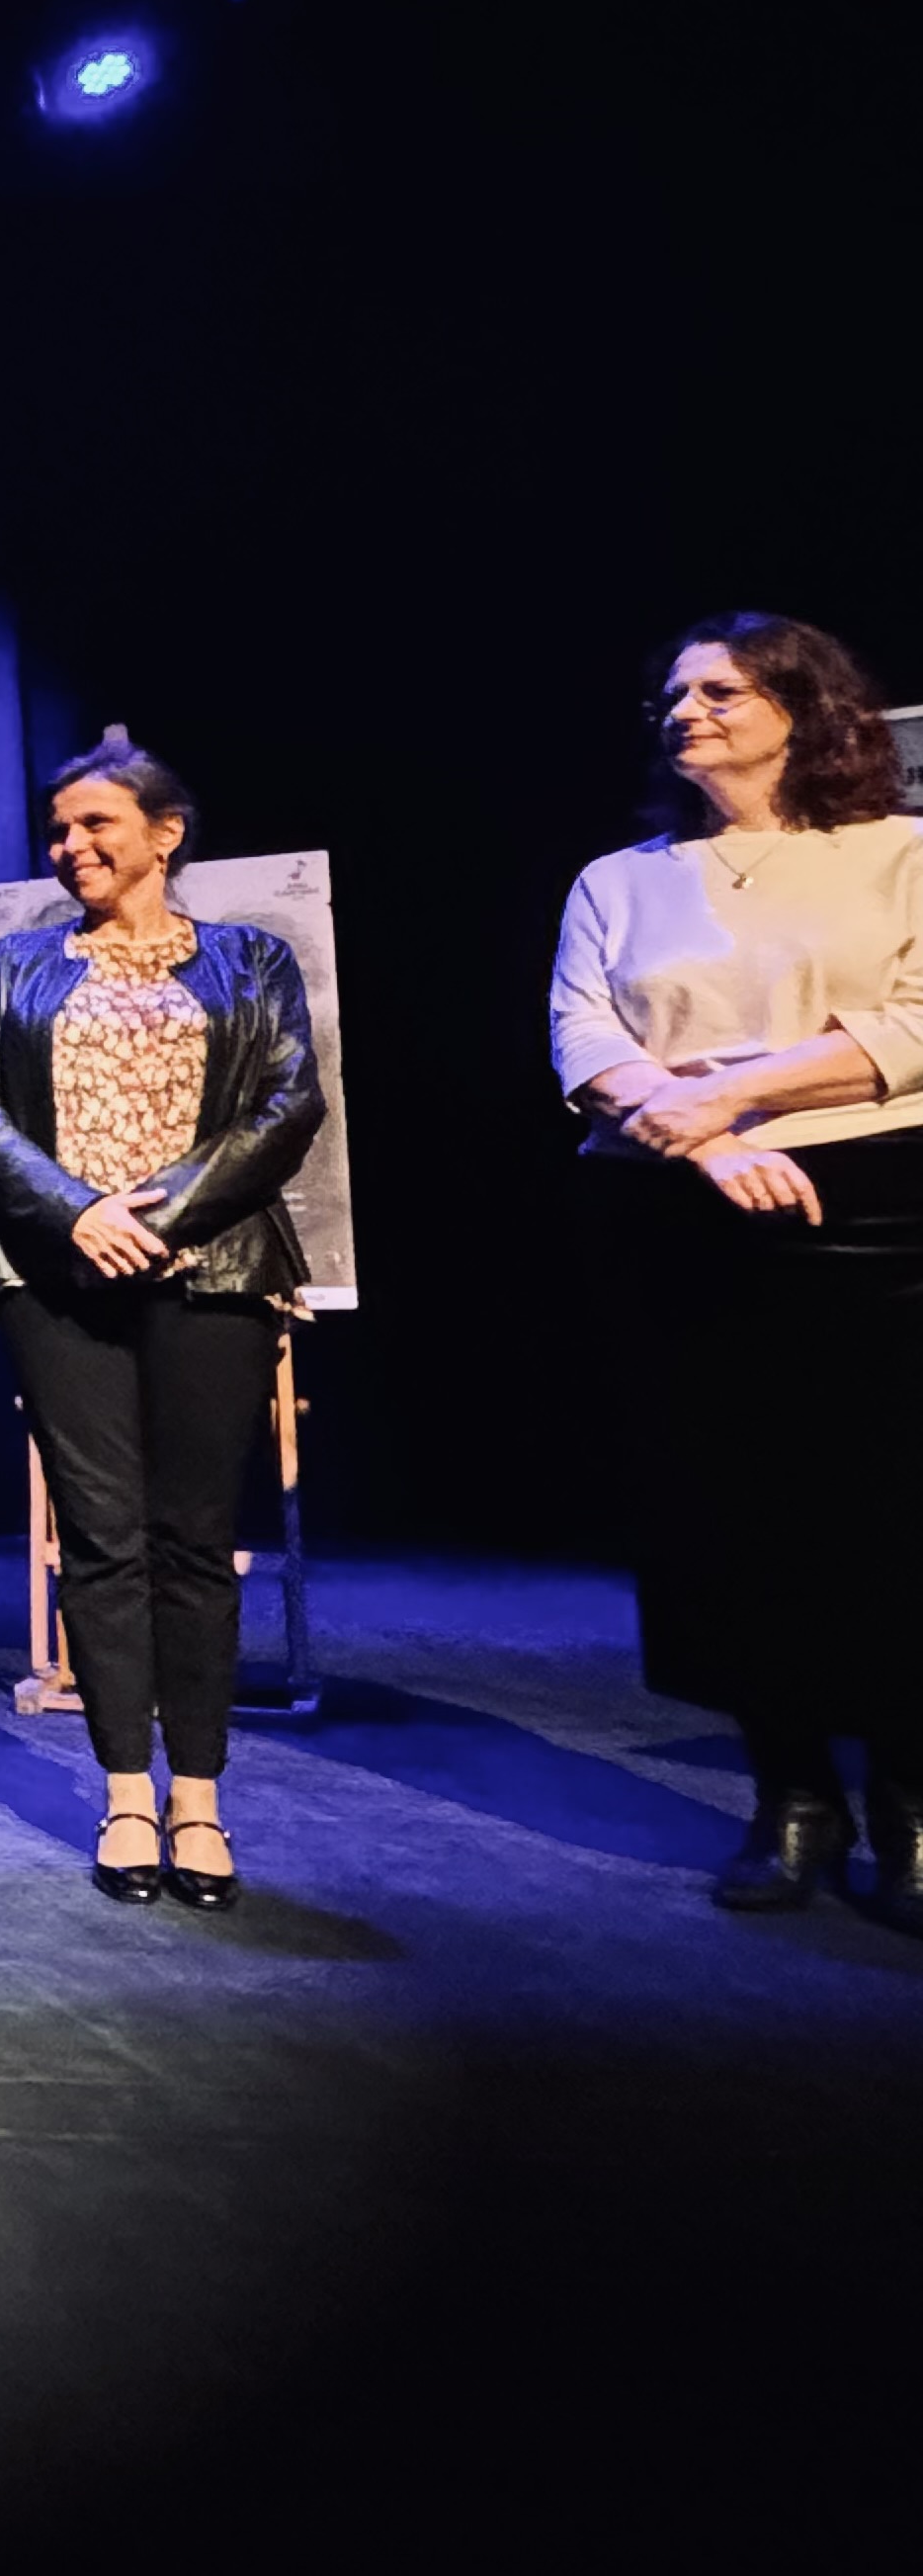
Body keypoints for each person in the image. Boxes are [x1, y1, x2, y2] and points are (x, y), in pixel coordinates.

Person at [549, 613, 923, 1936]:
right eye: (675, 696)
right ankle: (792, 1795)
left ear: (802, 708)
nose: (686, 712)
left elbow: (915, 1021)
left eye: (719, 691)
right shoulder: (620, 879)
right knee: (732, 1509)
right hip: (676, 1207)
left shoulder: (900, 854)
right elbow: (583, 1031)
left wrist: (734, 1095)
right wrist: (702, 1143)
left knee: (886, 1501)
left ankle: (910, 1803)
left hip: (875, 1200)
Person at [0, 736, 325, 1912]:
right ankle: (123, 1795)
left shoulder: (251, 960)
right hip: (56, 1277)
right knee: (102, 1536)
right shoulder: (14, 966)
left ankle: (198, 1801)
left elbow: (288, 1104)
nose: (72, 846)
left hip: (212, 1271)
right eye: (59, 830)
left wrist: (161, 1212)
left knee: (193, 1539)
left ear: (166, 834)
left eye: (97, 824)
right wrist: (79, 1214)